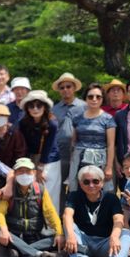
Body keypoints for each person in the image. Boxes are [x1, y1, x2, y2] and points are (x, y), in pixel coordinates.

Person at [64, 165, 130, 257]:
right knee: (69, 225)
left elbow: (118, 219)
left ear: (102, 182)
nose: (91, 185)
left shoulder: (111, 198)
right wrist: (70, 236)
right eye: (86, 182)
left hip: (106, 245)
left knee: (126, 233)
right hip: (83, 243)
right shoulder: (74, 196)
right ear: (80, 184)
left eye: (95, 181)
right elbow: (67, 215)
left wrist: (114, 236)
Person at [0, 158, 64, 257]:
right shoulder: (9, 191)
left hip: (34, 235)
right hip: (14, 234)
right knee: (0, 234)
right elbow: (0, 212)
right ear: (15, 174)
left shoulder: (41, 190)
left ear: (34, 173)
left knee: (58, 240)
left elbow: (50, 213)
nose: (24, 174)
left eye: (28, 171)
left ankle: (19, 251)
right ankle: (39, 254)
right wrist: (4, 230)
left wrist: (59, 233)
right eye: (20, 171)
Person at [68, 83, 116, 193]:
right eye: (90, 96)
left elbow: (111, 145)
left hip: (100, 160)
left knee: (100, 191)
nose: (94, 99)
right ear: (85, 98)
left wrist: (109, 167)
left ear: (102, 99)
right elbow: (73, 142)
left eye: (98, 97)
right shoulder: (77, 118)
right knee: (79, 190)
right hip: (79, 160)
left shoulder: (108, 119)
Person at [18, 90, 62, 213]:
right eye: (31, 106)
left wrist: (40, 169)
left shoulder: (52, 124)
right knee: (30, 191)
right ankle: (33, 221)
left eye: (39, 105)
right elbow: (24, 145)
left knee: (49, 192)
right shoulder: (23, 123)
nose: (35, 109)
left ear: (45, 107)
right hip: (31, 159)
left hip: (49, 160)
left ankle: (51, 223)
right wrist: (26, 165)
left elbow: (49, 147)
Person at [51, 72, 86, 206]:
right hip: (60, 153)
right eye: (62, 87)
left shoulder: (84, 106)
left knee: (79, 185)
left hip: (79, 152)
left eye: (68, 86)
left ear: (74, 88)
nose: (65, 89)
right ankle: (59, 213)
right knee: (58, 186)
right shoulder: (54, 109)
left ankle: (77, 214)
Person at [0, 103, 27, 169]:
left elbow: (20, 154)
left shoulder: (15, 133)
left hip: (12, 169)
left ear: (7, 117)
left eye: (2, 115)